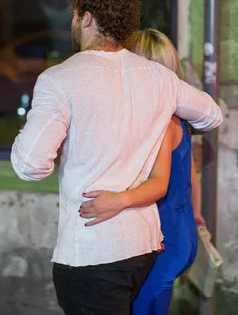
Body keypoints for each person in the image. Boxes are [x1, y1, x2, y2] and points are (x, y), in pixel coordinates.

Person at [10, 0, 222, 315]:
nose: (73, 22)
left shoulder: (58, 79)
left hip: (92, 252)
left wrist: (56, 144)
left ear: (87, 18)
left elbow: (29, 165)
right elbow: (211, 116)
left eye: (75, 15)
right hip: (144, 247)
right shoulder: (160, 79)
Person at [78, 29, 205, 315]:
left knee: (143, 307)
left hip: (166, 239)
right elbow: (191, 175)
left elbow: (159, 183)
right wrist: (196, 217)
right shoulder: (175, 119)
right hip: (179, 234)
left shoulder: (161, 123)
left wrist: (117, 200)